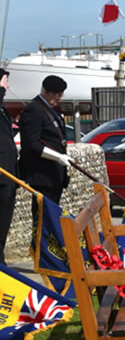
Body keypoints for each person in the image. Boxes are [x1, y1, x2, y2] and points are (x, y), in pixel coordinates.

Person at [19, 75, 72, 218]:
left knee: (52, 216)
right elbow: (32, 144)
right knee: (43, 218)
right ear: (46, 91)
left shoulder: (50, 109)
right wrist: (58, 157)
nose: (60, 98)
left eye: (61, 95)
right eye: (57, 95)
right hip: (43, 175)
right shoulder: (34, 109)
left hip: (54, 174)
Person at [0, 69, 18, 265]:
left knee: (4, 221)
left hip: (9, 175)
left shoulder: (3, 109)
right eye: (5, 82)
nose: (7, 87)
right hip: (1, 174)